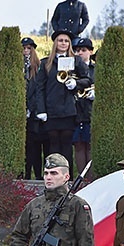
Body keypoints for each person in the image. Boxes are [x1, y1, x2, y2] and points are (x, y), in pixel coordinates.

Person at [35, 29, 90, 171]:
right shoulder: (46, 63)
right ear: (55, 43)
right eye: (60, 40)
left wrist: (76, 84)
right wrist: (41, 110)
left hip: (69, 110)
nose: (63, 43)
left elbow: (88, 79)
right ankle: (52, 175)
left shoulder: (76, 61)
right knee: (53, 145)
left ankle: (67, 178)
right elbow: (40, 88)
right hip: (51, 110)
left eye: (66, 41)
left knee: (66, 146)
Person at [23, 36, 46, 180]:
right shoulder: (19, 65)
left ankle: (38, 175)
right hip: (23, 112)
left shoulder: (38, 66)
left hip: (35, 114)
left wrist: (32, 108)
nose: (26, 51)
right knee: (26, 149)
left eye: (28, 48)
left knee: (36, 148)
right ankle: (25, 175)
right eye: (24, 48)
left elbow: (38, 89)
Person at [72, 37, 95, 179]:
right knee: (79, 145)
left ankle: (92, 178)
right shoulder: (72, 68)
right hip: (76, 110)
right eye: (77, 50)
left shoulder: (96, 69)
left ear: (91, 51)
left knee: (91, 145)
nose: (80, 53)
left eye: (83, 50)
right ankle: (81, 179)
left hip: (91, 111)